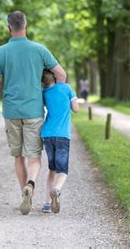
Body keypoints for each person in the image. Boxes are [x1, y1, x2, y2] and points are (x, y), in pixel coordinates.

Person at [0, 11, 67, 215]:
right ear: (26, 25)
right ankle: (31, 184)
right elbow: (61, 74)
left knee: (18, 157)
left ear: (9, 27)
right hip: (34, 111)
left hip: (11, 111)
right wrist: (55, 98)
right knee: (34, 157)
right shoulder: (39, 50)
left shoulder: (0, 52)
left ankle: (24, 194)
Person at [40, 70, 79, 214]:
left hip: (48, 134)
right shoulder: (66, 88)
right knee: (62, 171)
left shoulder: (44, 92)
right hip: (62, 135)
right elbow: (76, 109)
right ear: (55, 78)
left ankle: (47, 205)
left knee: (52, 170)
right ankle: (56, 190)